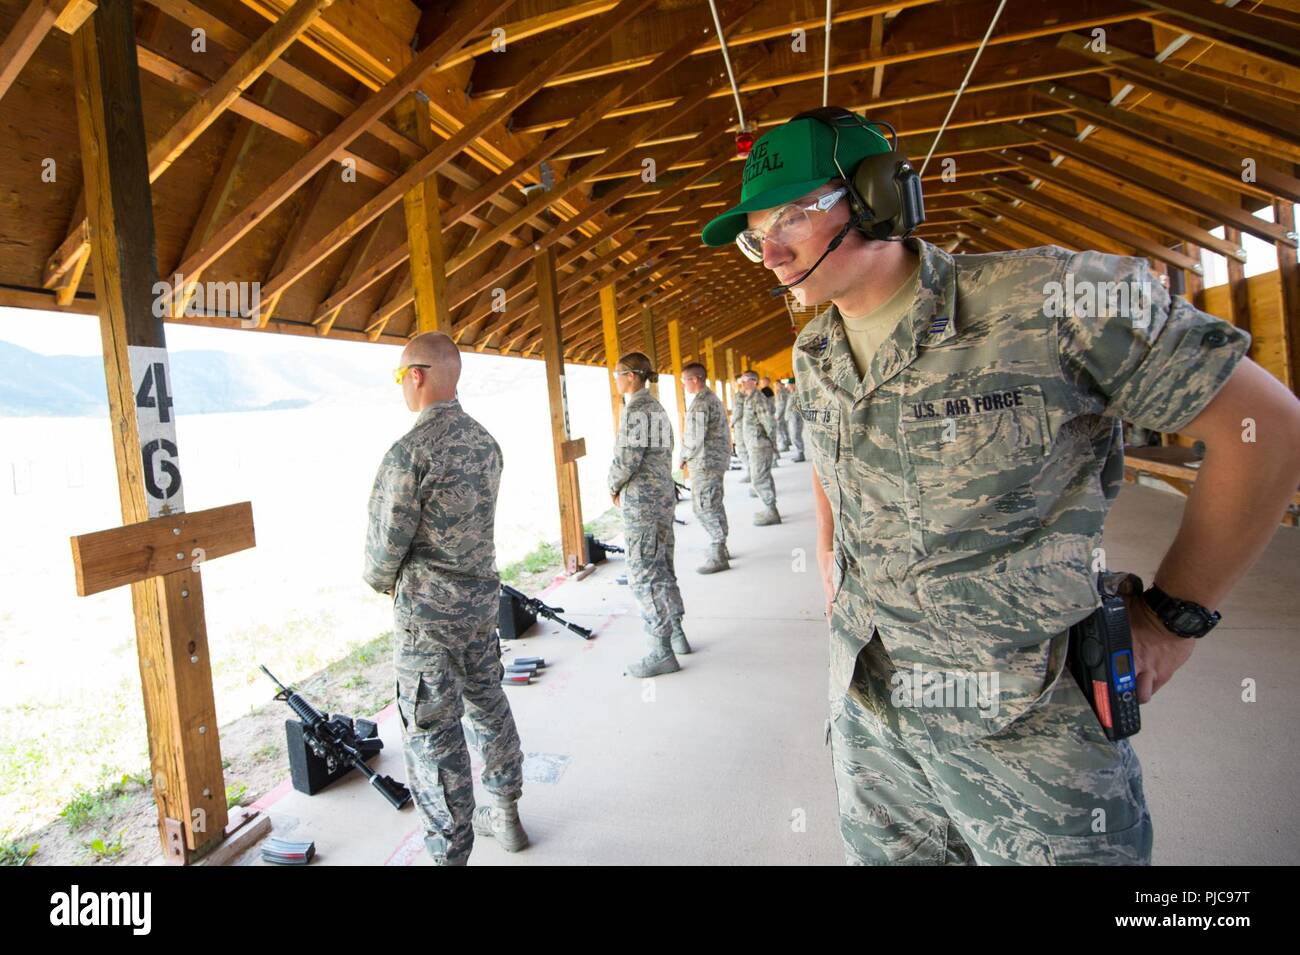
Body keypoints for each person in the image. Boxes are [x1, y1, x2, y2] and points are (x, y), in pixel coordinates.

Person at [700, 107, 1300, 864]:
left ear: (880, 196)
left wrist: (1173, 618)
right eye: (757, 233)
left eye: (792, 215)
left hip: (1028, 734)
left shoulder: (1052, 300)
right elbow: (833, 448)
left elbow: (1269, 430)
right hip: (874, 720)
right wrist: (829, 550)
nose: (771, 251)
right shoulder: (816, 347)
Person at [364, 331, 527, 866]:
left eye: (399, 377)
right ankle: (505, 810)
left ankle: (449, 853)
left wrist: (380, 581)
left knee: (433, 734)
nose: (400, 388)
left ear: (416, 375)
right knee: (488, 703)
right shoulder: (485, 442)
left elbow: (385, 549)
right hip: (480, 606)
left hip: (429, 620)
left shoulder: (409, 452)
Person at [609, 351, 690, 675]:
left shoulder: (636, 410)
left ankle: (661, 649)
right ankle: (677, 632)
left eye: (617, 374)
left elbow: (626, 459)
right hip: (661, 499)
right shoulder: (656, 407)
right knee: (663, 567)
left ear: (631, 376)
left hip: (642, 504)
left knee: (645, 573)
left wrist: (612, 486)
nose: (615, 380)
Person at [679, 361, 731, 573]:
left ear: (695, 379)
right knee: (713, 503)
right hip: (712, 461)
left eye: (684, 381)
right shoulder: (710, 398)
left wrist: (683, 456)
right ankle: (721, 548)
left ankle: (718, 551)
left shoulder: (701, 403)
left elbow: (694, 437)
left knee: (704, 506)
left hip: (706, 463)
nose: (683, 385)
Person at [739, 370, 781, 525]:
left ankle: (771, 511)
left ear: (754, 381)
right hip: (754, 444)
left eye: (745, 380)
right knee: (763, 476)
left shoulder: (757, 398)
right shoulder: (749, 398)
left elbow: (768, 422)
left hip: (760, 444)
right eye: (741, 380)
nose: (742, 383)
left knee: (758, 479)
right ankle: (771, 508)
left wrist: (773, 442)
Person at [732, 374, 752, 484]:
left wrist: (732, 422)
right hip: (748, 425)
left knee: (742, 449)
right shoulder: (750, 394)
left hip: (741, 425)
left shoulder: (740, 395)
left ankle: (751, 472)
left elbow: (738, 412)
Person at [783, 379, 805, 462]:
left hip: (796, 418)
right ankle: (799, 453)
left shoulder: (797, 394)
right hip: (792, 418)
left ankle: (801, 454)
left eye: (788, 385)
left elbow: (798, 407)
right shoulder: (791, 394)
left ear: (793, 385)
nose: (787, 387)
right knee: (794, 436)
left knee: (796, 436)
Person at [773, 376, 791, 452]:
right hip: (784, 413)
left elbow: (781, 405)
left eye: (776, 385)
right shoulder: (783, 391)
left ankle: (784, 445)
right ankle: (787, 442)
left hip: (781, 414)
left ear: (779, 384)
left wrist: (777, 415)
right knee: (784, 429)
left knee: (780, 430)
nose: (775, 386)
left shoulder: (781, 392)